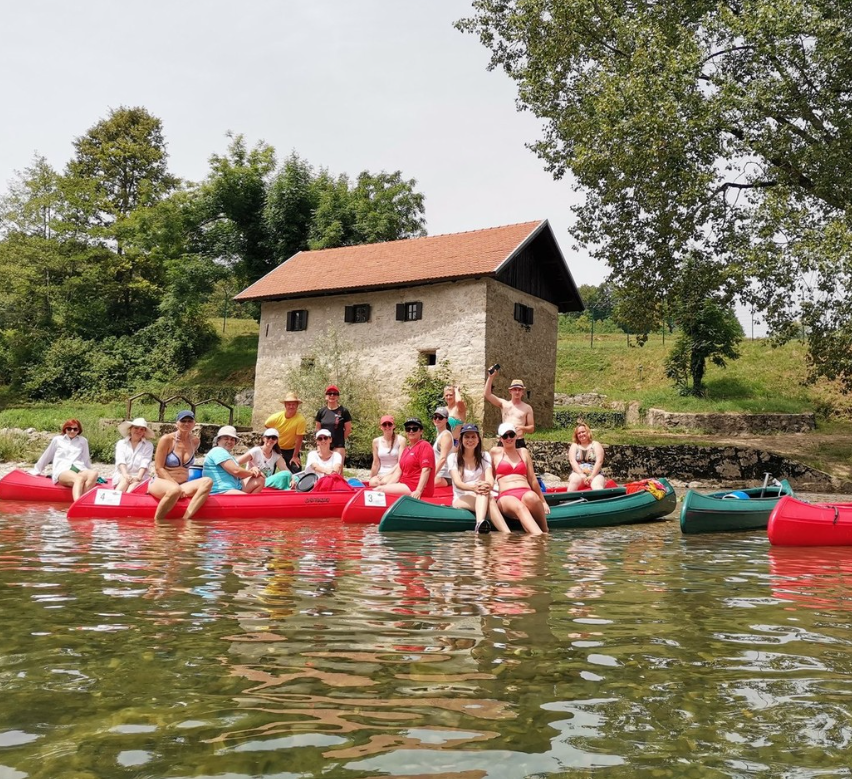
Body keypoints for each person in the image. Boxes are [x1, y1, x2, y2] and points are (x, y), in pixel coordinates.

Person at [148, 410, 213, 521]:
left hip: (182, 485)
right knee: (174, 490)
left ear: (194, 423)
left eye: (189, 421)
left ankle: (185, 519)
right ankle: (158, 523)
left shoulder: (195, 441)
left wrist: (179, 488)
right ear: (177, 423)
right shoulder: (167, 440)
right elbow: (159, 468)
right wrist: (175, 486)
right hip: (162, 482)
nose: (186, 424)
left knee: (208, 481)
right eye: (183, 421)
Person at [448, 423, 509, 532]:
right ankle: (497, 530)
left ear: (478, 440)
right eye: (466, 437)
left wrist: (487, 485)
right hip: (462, 496)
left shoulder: (485, 456)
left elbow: (490, 478)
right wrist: (474, 488)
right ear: (461, 439)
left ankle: (502, 532)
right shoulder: (453, 458)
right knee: (486, 496)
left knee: (487, 496)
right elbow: (458, 483)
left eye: (473, 437)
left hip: (482, 493)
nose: (470, 440)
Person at [490, 422, 549, 535]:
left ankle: (545, 530)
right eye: (505, 436)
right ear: (500, 438)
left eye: (511, 435)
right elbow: (490, 477)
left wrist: (543, 501)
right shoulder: (495, 453)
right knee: (519, 507)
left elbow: (532, 479)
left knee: (532, 497)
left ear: (516, 436)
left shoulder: (523, 452)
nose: (509, 438)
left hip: (525, 491)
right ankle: (540, 537)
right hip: (506, 495)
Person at [30, 419, 99, 500]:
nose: (72, 431)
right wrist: (37, 470)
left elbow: (86, 458)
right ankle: (77, 503)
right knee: (79, 479)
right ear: (65, 429)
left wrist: (89, 472)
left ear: (79, 430)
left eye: (75, 429)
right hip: (63, 470)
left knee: (94, 473)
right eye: (69, 429)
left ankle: (83, 500)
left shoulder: (83, 441)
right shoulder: (58, 440)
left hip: (79, 468)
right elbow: (47, 455)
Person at [374, 417, 435, 499]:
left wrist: (419, 490)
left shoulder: (424, 446)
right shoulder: (406, 449)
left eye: (414, 429)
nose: (411, 431)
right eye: (408, 429)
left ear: (421, 431)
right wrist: (388, 486)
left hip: (415, 487)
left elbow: (426, 470)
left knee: (380, 490)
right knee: (381, 487)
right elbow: (398, 473)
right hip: (404, 484)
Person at [202, 425, 265, 495]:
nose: (229, 441)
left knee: (260, 479)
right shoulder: (218, 451)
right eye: (226, 438)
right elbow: (236, 471)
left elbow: (237, 473)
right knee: (248, 500)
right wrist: (252, 473)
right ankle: (248, 503)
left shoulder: (227, 454)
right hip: (220, 490)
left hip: (234, 487)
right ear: (218, 440)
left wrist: (254, 470)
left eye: (232, 439)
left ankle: (249, 502)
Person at [484, 366, 535, 447]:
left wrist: (522, 428)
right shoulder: (504, 404)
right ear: (510, 391)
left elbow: (531, 428)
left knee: (522, 459)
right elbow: (487, 394)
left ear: (523, 392)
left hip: (518, 440)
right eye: (515, 389)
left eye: (519, 389)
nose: (517, 392)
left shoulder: (527, 408)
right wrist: (491, 377)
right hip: (504, 439)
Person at [264, 391, 306, 473]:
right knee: (267, 471)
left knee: (296, 471)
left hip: (291, 449)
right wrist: (274, 435)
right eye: (289, 404)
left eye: (293, 404)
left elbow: (299, 439)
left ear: (297, 405)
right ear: (285, 405)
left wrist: (295, 456)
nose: (291, 406)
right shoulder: (277, 417)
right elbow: (267, 424)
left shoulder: (300, 420)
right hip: (276, 448)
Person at [112, 417, 154, 493]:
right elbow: (120, 460)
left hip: (140, 476)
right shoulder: (121, 443)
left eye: (142, 429)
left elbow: (145, 462)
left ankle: (123, 500)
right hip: (122, 474)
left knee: (134, 486)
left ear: (144, 431)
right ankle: (113, 501)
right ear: (130, 429)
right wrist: (125, 474)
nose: (139, 431)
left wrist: (139, 477)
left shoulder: (148, 445)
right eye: (136, 428)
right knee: (125, 481)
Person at [315, 385, 352, 463]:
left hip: (338, 445)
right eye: (329, 393)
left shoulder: (344, 411)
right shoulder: (321, 412)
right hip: (323, 444)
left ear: (338, 397)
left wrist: (340, 439)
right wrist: (319, 444)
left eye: (335, 393)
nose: (332, 395)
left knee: (338, 469)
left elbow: (348, 429)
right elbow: (318, 429)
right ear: (326, 396)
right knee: (322, 467)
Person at [567, 422, 607, 491]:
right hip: (578, 474)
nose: (581, 434)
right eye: (579, 433)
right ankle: (567, 500)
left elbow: (599, 461)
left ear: (588, 432)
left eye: (583, 432)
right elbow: (572, 461)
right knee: (574, 480)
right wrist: (581, 474)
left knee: (596, 484)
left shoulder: (596, 444)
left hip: (595, 474)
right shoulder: (574, 445)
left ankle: (600, 500)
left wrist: (592, 476)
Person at [368, 415, 405, 488]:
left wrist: (387, 474)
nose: (387, 426)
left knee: (384, 482)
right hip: (381, 473)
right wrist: (371, 477)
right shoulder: (376, 441)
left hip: (395, 472)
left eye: (389, 424)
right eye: (384, 424)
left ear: (394, 426)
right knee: (373, 483)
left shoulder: (401, 440)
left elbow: (400, 462)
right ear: (381, 427)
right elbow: (376, 463)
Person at [431, 406, 454, 488]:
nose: (437, 419)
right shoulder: (440, 434)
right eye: (435, 417)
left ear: (446, 420)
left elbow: (442, 459)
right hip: (439, 474)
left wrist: (431, 476)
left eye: (440, 417)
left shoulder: (446, 436)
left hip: (444, 476)